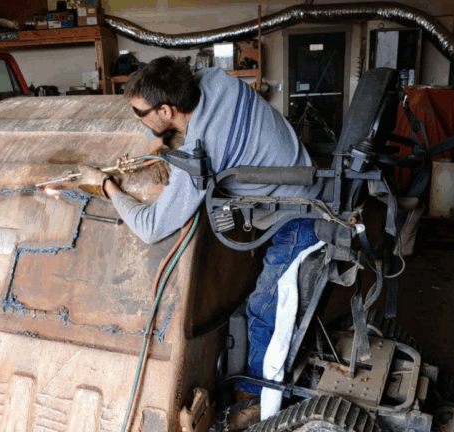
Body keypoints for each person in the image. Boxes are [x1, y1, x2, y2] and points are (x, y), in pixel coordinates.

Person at [77, 56, 323, 402]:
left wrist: (106, 186)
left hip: (301, 217)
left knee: (264, 312)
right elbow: (183, 126)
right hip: (301, 182)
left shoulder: (200, 153)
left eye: (139, 112)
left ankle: (254, 405)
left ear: (166, 111)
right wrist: (159, 142)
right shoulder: (215, 80)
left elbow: (151, 227)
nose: (137, 119)